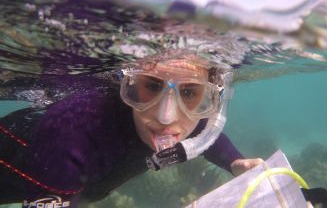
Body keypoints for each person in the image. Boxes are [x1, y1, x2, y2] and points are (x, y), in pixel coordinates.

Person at [0, 50, 263, 207]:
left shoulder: (193, 122)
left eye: (189, 92)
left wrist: (235, 162)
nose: (167, 118)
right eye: (151, 85)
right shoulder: (75, 130)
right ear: (129, 83)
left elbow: (207, 137)